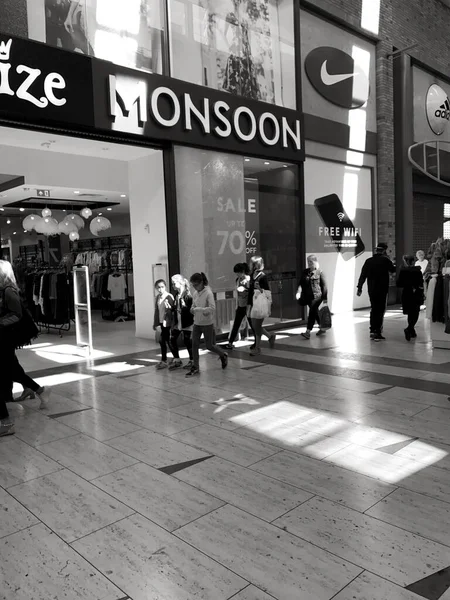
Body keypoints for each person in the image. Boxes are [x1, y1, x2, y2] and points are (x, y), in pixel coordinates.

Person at [186, 272, 228, 378]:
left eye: (196, 285)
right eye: (193, 285)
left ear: (201, 283)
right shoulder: (195, 293)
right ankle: (196, 366)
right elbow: (193, 305)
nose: (194, 287)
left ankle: (223, 354)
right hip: (197, 323)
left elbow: (212, 308)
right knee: (194, 344)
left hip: (207, 323)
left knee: (209, 345)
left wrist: (201, 310)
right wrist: (192, 309)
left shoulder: (208, 293)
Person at [0, 260, 22, 436]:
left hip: (5, 338)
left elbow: (17, 314)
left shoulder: (8, 291)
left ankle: (5, 421)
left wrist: (0, 323)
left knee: (12, 369)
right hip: (3, 337)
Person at [357, 243, 396, 341]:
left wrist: (359, 287)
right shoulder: (385, 260)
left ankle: (372, 330)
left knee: (374, 309)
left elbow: (363, 275)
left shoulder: (368, 261)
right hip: (382, 289)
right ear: (384, 251)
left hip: (371, 289)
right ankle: (377, 332)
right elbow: (393, 270)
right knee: (380, 310)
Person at [247, 256, 275, 356]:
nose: (250, 265)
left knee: (256, 326)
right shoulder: (251, 275)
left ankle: (257, 347)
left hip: (260, 304)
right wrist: (248, 304)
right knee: (256, 326)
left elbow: (267, 292)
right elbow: (250, 291)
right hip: (253, 303)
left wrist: (259, 288)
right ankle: (270, 337)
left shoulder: (262, 276)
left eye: (252, 263)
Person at [297, 255, 328, 340]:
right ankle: (322, 327)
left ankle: (308, 331)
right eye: (308, 261)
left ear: (315, 262)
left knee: (311, 312)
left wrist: (325, 299)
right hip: (307, 296)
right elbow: (301, 283)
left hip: (317, 296)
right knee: (315, 311)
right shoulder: (305, 272)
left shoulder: (320, 272)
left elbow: (324, 287)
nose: (309, 263)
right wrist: (298, 292)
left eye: (311, 261)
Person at [397, 255, 424, 341]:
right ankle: (409, 329)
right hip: (416, 293)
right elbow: (420, 283)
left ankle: (411, 330)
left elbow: (399, 284)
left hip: (406, 293)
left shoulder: (403, 271)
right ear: (413, 262)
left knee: (410, 313)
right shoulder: (417, 271)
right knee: (415, 313)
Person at [169, 274, 194, 371]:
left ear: (180, 283)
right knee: (172, 339)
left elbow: (191, 311)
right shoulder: (177, 295)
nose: (173, 286)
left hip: (187, 322)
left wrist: (185, 308)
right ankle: (177, 359)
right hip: (178, 322)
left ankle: (192, 360)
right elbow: (177, 308)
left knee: (187, 341)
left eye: (174, 283)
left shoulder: (188, 295)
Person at [225, 263, 251, 350]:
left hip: (247, 305)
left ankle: (260, 340)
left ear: (242, 271)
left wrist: (245, 289)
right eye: (236, 273)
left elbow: (251, 292)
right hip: (240, 305)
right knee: (236, 324)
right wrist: (236, 305)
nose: (237, 274)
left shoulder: (248, 279)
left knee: (252, 323)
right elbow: (237, 293)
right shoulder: (237, 280)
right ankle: (230, 342)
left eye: (238, 272)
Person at [153, 279, 175, 370]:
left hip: (168, 323)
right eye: (158, 287)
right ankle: (164, 360)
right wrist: (156, 323)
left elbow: (172, 311)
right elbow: (157, 311)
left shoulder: (169, 296)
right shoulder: (158, 297)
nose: (160, 289)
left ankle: (176, 358)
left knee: (169, 341)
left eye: (162, 287)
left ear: (165, 287)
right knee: (162, 341)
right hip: (161, 323)